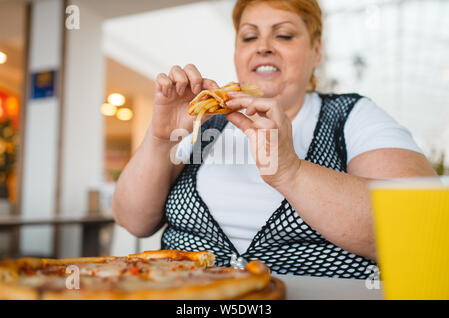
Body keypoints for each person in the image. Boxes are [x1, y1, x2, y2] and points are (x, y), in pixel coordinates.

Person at [112, 0, 437, 279]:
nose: (262, 46)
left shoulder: (352, 115)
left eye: (283, 34)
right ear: (238, 52)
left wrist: (291, 172)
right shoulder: (205, 122)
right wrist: (161, 138)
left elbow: (425, 230)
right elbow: (134, 221)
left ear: (316, 51)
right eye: (249, 36)